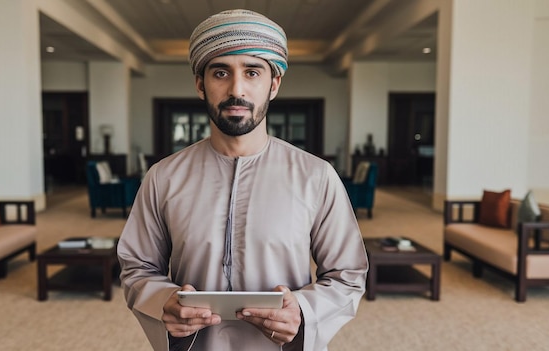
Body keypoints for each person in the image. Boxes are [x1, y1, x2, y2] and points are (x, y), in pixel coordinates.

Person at [117, 9, 368, 351]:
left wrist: (305, 311)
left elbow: (348, 274)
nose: (237, 89)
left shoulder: (316, 175)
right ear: (200, 84)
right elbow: (137, 267)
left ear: (273, 84)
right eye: (221, 72)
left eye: (252, 72)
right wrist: (164, 302)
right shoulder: (164, 176)